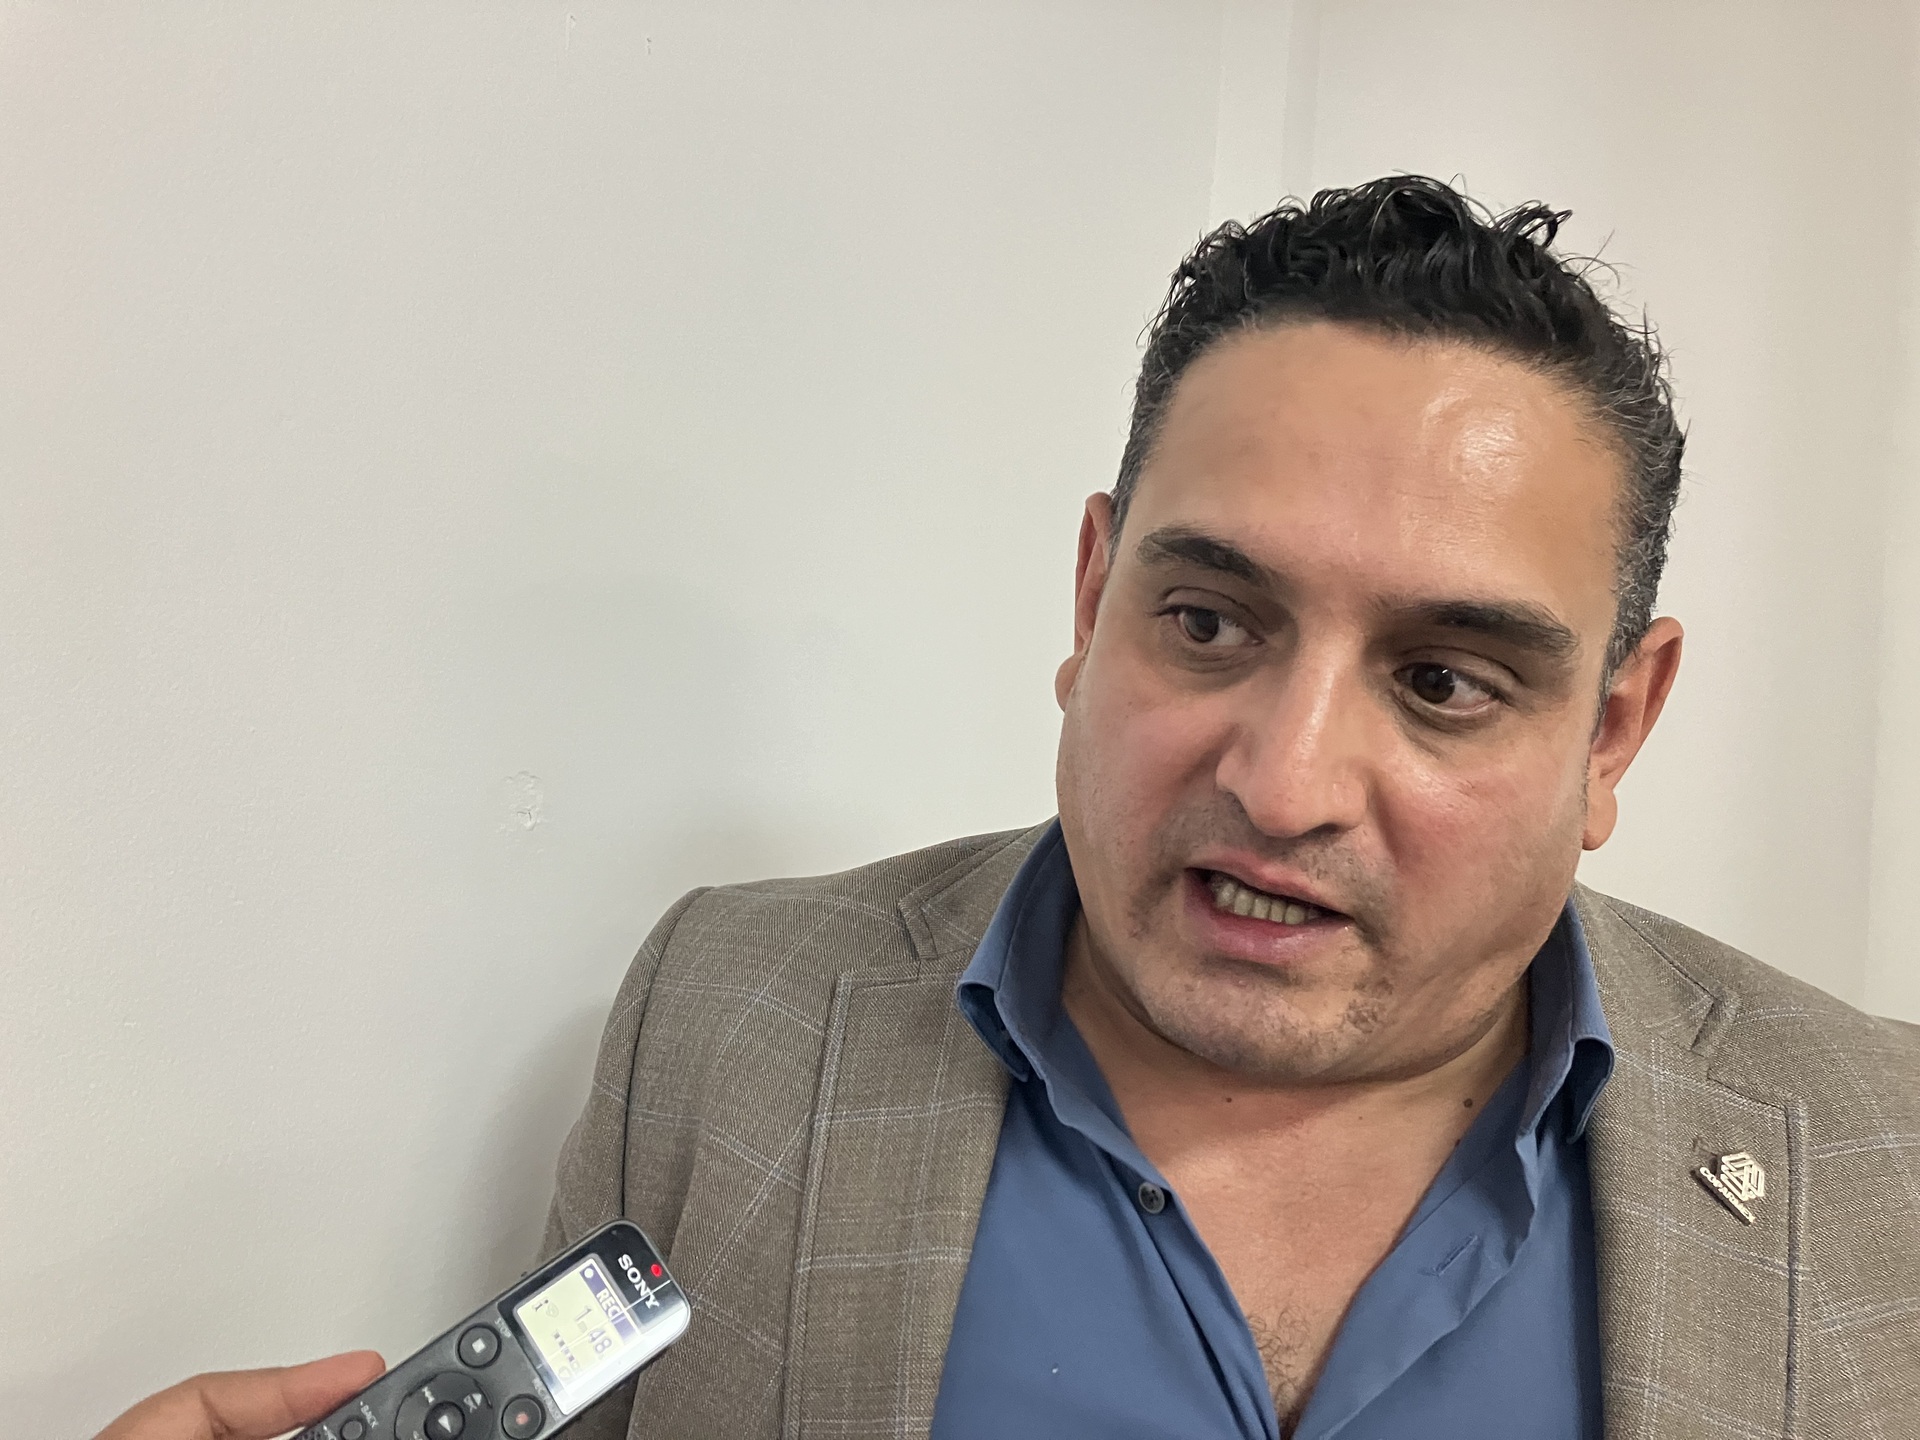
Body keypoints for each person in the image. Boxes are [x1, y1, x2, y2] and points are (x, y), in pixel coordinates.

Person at [98, 177, 1920, 1440]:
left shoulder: (1883, 1161)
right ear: (1093, 598)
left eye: (1444, 680)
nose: (1282, 782)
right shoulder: (729, 1025)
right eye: (1208, 623)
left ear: (1613, 730)